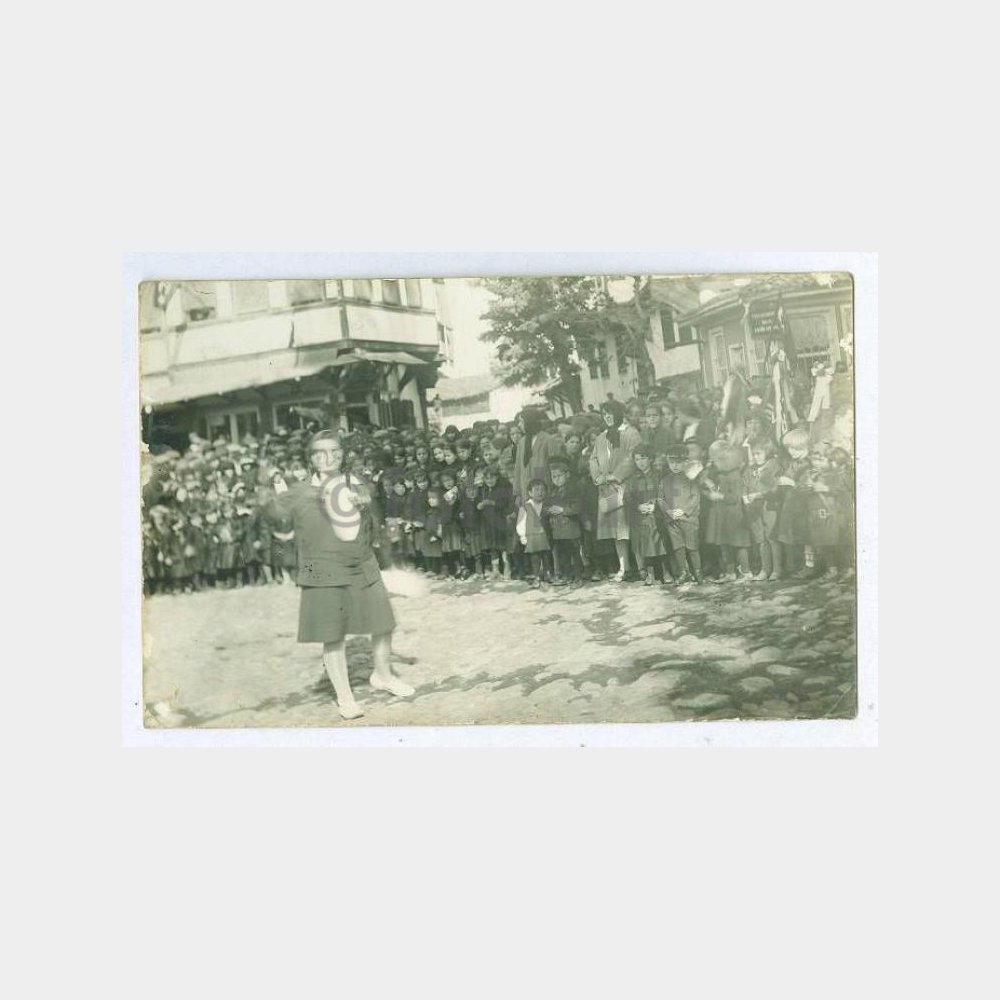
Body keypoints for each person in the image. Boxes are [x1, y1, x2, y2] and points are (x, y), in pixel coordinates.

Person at [260, 429, 413, 721]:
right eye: (320, 452)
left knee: (383, 623)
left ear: (343, 455)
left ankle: (383, 675)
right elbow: (273, 518)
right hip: (321, 569)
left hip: (361, 562)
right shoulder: (298, 491)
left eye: (334, 451)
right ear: (310, 458)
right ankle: (345, 696)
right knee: (332, 634)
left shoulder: (357, 483)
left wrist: (365, 508)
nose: (328, 457)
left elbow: (371, 523)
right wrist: (269, 488)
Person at [589, 399, 640, 582]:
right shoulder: (601, 437)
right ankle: (624, 567)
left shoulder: (630, 433)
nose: (608, 417)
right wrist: (597, 476)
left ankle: (641, 567)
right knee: (617, 532)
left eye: (610, 413)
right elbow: (593, 459)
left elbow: (633, 457)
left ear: (618, 413)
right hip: (607, 490)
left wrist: (615, 476)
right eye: (604, 414)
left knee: (630, 529)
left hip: (625, 486)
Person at [657, 444, 703, 584]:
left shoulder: (691, 479)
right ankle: (683, 572)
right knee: (678, 547)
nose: (675, 466)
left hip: (689, 520)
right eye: (671, 462)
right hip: (672, 521)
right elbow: (660, 498)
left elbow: (695, 497)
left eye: (678, 462)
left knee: (692, 547)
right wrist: (669, 511)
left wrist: (683, 510)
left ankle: (698, 572)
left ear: (685, 462)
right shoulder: (665, 481)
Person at [625, 445, 666, 586]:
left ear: (651, 459)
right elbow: (628, 497)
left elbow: (664, 493)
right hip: (640, 516)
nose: (640, 462)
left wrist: (655, 505)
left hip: (657, 514)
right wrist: (638, 506)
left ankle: (665, 571)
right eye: (637, 459)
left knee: (659, 538)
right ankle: (649, 573)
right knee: (643, 539)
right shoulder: (633, 479)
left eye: (643, 458)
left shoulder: (659, 476)